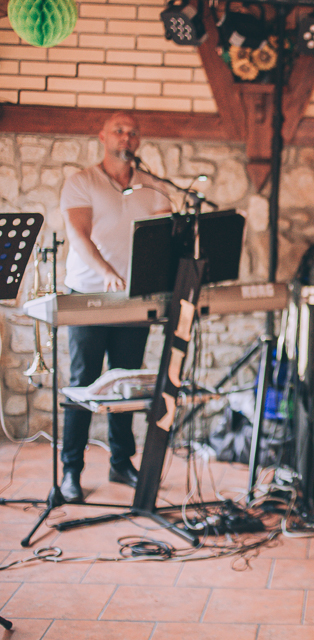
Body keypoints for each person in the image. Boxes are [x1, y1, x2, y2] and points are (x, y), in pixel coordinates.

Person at [59, 112, 170, 504]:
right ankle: (71, 471)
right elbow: (78, 234)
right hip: (89, 297)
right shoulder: (82, 182)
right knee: (83, 382)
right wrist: (106, 271)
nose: (127, 137)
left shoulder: (153, 186)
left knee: (125, 383)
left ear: (139, 141)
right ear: (103, 137)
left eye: (133, 132)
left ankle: (121, 463)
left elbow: (164, 238)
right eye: (119, 130)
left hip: (133, 301)